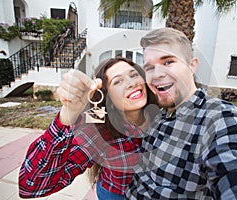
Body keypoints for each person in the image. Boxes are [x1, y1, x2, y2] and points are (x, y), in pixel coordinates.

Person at [125, 28, 237, 199]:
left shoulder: (218, 117)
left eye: (168, 62)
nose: (157, 74)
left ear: (192, 65)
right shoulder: (158, 113)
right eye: (150, 67)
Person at [18, 57, 157, 199]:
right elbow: (31, 186)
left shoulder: (160, 111)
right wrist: (68, 114)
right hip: (117, 194)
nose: (131, 83)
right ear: (107, 96)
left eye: (133, 75)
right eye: (117, 81)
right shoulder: (100, 128)